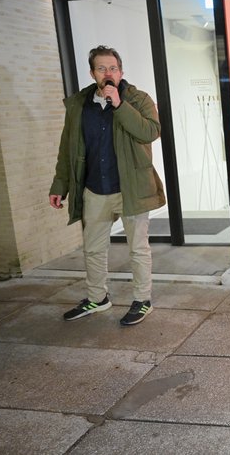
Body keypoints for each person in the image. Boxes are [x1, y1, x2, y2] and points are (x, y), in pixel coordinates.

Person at [49, 45, 166, 326]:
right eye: (101, 68)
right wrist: (59, 184)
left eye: (113, 68)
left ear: (121, 71)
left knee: (137, 248)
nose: (108, 73)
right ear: (92, 73)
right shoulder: (79, 105)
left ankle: (142, 300)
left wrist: (119, 105)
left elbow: (150, 131)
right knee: (93, 248)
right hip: (94, 189)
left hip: (131, 188)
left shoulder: (137, 100)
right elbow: (67, 148)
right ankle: (97, 298)